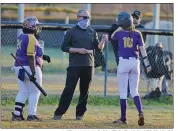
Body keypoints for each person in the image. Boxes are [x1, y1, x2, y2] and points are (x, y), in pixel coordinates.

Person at [53, 9, 108, 120]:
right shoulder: (71, 31)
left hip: (88, 66)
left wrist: (103, 40)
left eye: (88, 18)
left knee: (85, 91)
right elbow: (64, 47)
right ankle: (59, 113)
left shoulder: (92, 32)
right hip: (74, 65)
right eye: (85, 17)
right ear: (78, 17)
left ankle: (80, 114)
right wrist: (78, 50)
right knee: (69, 89)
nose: (87, 20)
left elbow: (98, 48)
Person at [111, 12, 151, 126]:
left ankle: (123, 118)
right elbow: (143, 50)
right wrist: (147, 64)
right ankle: (141, 112)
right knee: (135, 91)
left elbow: (112, 37)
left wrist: (118, 28)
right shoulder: (138, 33)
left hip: (123, 62)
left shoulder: (119, 32)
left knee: (123, 93)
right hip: (135, 62)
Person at [11, 16, 43, 121]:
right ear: (31, 26)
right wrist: (34, 72)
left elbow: (25, 52)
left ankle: (16, 114)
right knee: (35, 91)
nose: (37, 27)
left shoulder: (21, 36)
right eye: (36, 25)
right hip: (29, 66)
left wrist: (43, 56)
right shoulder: (31, 37)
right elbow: (30, 56)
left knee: (23, 91)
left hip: (19, 66)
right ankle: (31, 115)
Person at [127, 10, 146, 97]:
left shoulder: (142, 27)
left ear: (140, 19)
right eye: (133, 17)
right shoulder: (127, 27)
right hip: (127, 54)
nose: (134, 19)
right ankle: (128, 92)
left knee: (135, 75)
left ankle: (133, 92)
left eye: (136, 18)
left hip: (138, 55)